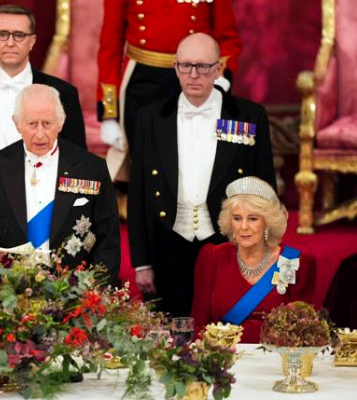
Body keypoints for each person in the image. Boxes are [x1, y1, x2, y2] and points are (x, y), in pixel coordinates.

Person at [128, 33, 276, 317]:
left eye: (203, 66)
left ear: (218, 69)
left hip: (228, 241)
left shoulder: (248, 116)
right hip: (169, 242)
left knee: (226, 327)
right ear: (175, 68)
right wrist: (141, 262)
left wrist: (263, 250)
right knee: (175, 330)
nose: (193, 75)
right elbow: (138, 194)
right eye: (186, 66)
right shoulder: (151, 117)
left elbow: (265, 189)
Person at [0, 4, 87, 260]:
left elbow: (78, 163)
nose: (10, 42)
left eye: (19, 35)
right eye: (3, 34)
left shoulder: (63, 93)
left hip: (47, 217)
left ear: (32, 41)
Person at [0, 84, 120, 287]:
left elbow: (108, 240)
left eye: (47, 124)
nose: (39, 134)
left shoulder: (91, 168)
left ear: (60, 123)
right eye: (32, 124)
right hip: (8, 287)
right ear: (17, 123)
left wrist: (96, 290)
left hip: (73, 290)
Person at [97, 0, 241, 218]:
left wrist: (220, 79)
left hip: (195, 78)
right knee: (147, 169)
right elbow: (110, 45)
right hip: (141, 82)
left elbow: (227, 38)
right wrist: (109, 114)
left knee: (195, 163)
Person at [190, 177, 316, 343]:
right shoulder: (213, 257)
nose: (243, 227)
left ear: (267, 223)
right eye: (237, 218)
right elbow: (198, 326)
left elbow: (303, 331)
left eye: (253, 219)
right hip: (225, 354)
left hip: (274, 356)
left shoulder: (295, 262)